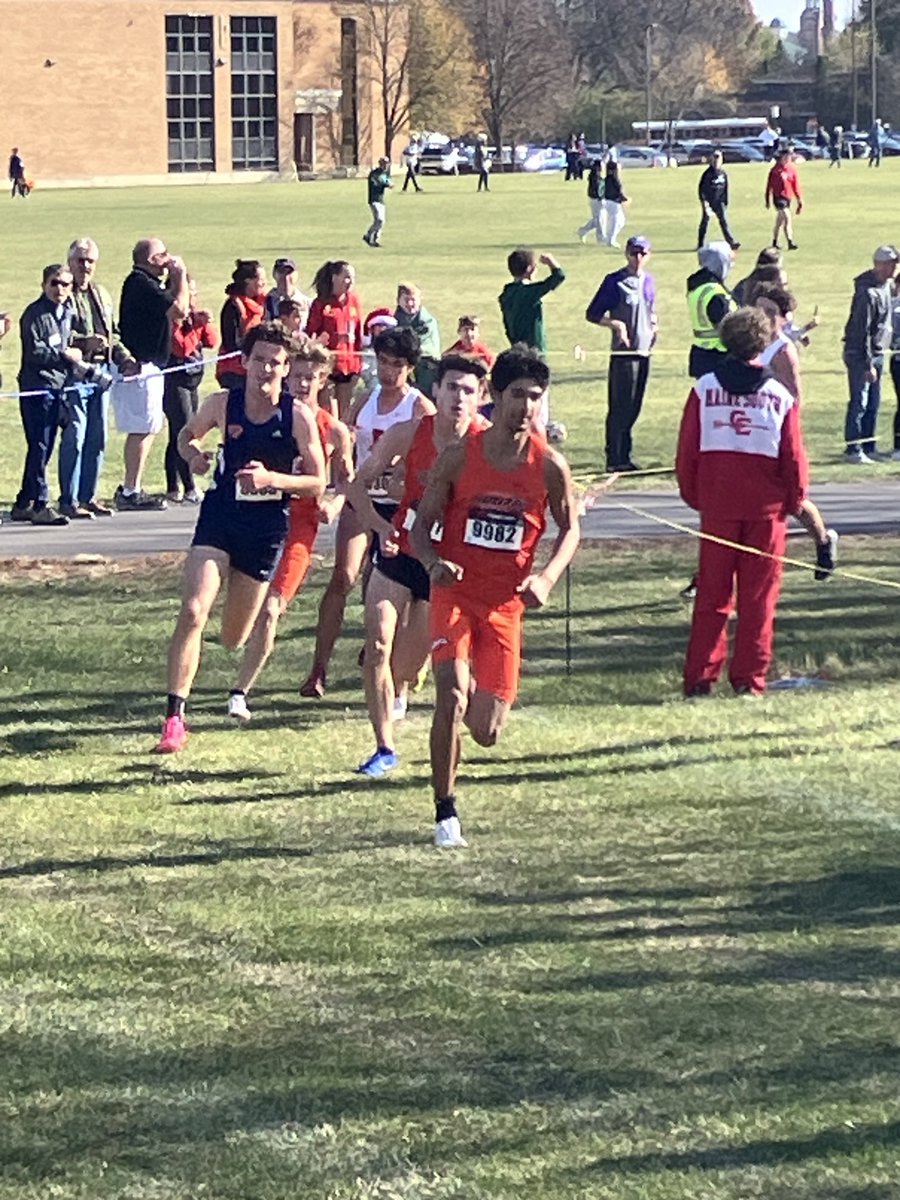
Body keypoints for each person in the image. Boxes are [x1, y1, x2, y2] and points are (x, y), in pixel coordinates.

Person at [410, 346, 580, 848]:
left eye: (535, 397)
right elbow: (422, 529)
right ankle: (446, 812)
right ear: (496, 398)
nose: (526, 407)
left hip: (506, 605)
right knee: (451, 693)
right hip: (455, 593)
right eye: (516, 396)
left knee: (485, 730)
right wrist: (433, 563)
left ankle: (463, 748)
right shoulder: (462, 456)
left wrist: (546, 578)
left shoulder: (549, 466)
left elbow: (571, 531)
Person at [154, 322, 326, 753]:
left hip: (265, 530)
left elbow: (318, 481)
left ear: (286, 370)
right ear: (245, 363)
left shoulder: (298, 417)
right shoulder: (222, 404)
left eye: (276, 362)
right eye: (260, 360)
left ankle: (227, 659)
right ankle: (174, 718)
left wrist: (272, 479)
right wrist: (193, 455)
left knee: (233, 637)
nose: (267, 368)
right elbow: (184, 435)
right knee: (193, 611)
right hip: (220, 518)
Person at [348, 354, 490, 777]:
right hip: (400, 550)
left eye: (468, 391)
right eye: (451, 388)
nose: (458, 398)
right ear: (436, 391)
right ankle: (383, 747)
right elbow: (357, 483)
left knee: (406, 667)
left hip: (446, 566)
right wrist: (378, 525)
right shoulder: (408, 434)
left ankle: (418, 691)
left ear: (481, 397)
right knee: (376, 645)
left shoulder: (487, 443)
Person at [677, 307, 810, 697]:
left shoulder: (703, 389)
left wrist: (697, 497)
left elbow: (687, 453)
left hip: (717, 508)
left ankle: (700, 678)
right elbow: (795, 459)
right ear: (765, 343)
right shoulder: (780, 396)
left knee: (712, 597)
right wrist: (794, 501)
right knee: (758, 600)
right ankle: (749, 681)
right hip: (766, 514)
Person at [300, 327, 433, 699]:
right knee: (343, 575)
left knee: (395, 586)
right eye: (383, 362)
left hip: (400, 507)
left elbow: (431, 458)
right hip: (362, 502)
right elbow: (344, 453)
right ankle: (318, 669)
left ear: (410, 368)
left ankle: (397, 664)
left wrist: (402, 475)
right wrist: (337, 491)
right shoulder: (363, 401)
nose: (388, 372)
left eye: (397, 365)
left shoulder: (420, 407)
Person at [228, 337, 353, 720]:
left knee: (271, 608)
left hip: (301, 524)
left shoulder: (333, 430)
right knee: (239, 606)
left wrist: (334, 503)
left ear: (323, 380)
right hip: (257, 516)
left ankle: (239, 692)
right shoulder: (274, 413)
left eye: (311, 377)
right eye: (297, 375)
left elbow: (347, 479)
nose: (302, 383)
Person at [753, 282, 838, 580]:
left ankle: (824, 542)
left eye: (770, 311)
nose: (763, 316)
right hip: (755, 432)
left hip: (777, 434)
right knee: (747, 500)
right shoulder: (754, 343)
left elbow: (794, 398)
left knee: (794, 501)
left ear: (785, 317)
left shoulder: (783, 351)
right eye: (759, 309)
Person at [61, 237, 138, 519]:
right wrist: (84, 343)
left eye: (90, 261)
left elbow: (112, 335)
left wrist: (125, 357)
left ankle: (88, 496)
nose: (85, 266)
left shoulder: (101, 293)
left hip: (102, 374)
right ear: (69, 262)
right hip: (75, 374)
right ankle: (68, 500)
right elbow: (58, 337)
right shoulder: (63, 292)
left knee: (98, 438)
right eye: (80, 260)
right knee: (75, 437)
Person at [117, 237, 189, 510]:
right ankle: (129, 490)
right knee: (142, 428)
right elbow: (179, 310)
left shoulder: (148, 285)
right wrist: (180, 275)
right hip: (141, 366)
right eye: (163, 255)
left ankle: (132, 486)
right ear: (150, 260)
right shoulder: (140, 283)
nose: (168, 259)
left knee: (148, 427)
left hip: (152, 365)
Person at [11, 264, 82, 526]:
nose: (60, 289)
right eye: (54, 283)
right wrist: (65, 356)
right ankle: (40, 503)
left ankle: (23, 501)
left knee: (44, 446)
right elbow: (35, 352)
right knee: (40, 445)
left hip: (58, 387)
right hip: (37, 387)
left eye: (65, 284)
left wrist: (84, 343)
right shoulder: (35, 314)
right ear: (44, 285)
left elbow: (67, 339)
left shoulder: (67, 312)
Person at [586, 234, 658, 473]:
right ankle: (614, 457)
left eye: (642, 253)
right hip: (623, 353)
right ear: (626, 254)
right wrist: (616, 325)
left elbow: (650, 306)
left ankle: (626, 455)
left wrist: (654, 325)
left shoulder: (648, 281)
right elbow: (593, 313)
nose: (637, 258)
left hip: (644, 351)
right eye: (633, 253)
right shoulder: (615, 281)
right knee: (620, 406)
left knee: (635, 405)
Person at [499, 247, 566, 438]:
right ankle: (539, 431)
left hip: (516, 349)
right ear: (530, 269)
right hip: (535, 351)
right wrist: (552, 263)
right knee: (539, 393)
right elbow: (559, 277)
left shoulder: (507, 294)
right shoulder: (528, 293)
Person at [163, 277, 218, 504]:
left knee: (180, 430)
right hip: (174, 379)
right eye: (188, 295)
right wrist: (193, 324)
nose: (191, 299)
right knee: (185, 430)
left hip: (192, 380)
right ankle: (188, 486)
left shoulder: (192, 318)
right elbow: (181, 347)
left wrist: (205, 323)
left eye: (194, 294)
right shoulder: (170, 319)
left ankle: (172, 485)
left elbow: (212, 342)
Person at [842, 244, 899, 463]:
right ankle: (853, 449)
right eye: (891, 264)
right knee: (860, 401)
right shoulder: (867, 292)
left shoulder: (886, 286)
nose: (895, 268)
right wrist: (867, 364)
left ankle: (869, 445)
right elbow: (861, 331)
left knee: (873, 402)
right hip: (861, 354)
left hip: (878, 351)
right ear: (879, 264)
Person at [306, 259, 364, 420]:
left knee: (345, 411)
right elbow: (310, 333)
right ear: (334, 278)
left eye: (352, 277)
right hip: (328, 365)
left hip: (349, 365)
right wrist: (322, 340)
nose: (350, 282)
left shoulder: (354, 301)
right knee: (328, 409)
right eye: (346, 277)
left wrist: (358, 362)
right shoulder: (321, 303)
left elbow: (359, 332)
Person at [686, 242, 736, 380]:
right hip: (718, 358)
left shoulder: (698, 287)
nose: (731, 265)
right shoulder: (715, 293)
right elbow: (728, 328)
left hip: (703, 355)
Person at [216, 260, 267, 390]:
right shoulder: (233, 306)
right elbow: (231, 343)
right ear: (248, 281)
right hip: (234, 372)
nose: (264, 283)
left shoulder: (262, 304)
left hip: (253, 368)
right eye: (260, 279)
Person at [395, 282, 441, 397]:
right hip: (402, 365)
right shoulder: (394, 320)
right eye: (406, 300)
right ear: (398, 300)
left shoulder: (427, 322)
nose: (410, 304)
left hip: (426, 366)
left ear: (420, 300)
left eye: (413, 300)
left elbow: (416, 345)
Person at [697, 150, 740, 251]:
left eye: (718, 158)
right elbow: (701, 189)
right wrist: (705, 203)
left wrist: (725, 201)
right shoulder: (707, 174)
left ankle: (731, 242)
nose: (716, 160)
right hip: (709, 201)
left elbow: (725, 188)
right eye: (715, 158)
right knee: (705, 222)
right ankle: (700, 243)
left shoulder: (723, 173)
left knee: (724, 222)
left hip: (719, 202)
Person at [765, 148, 803, 251]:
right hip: (778, 198)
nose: (788, 158)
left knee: (779, 222)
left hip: (788, 197)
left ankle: (774, 241)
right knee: (787, 217)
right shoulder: (775, 170)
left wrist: (799, 200)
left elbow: (795, 185)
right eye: (786, 156)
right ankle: (790, 241)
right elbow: (769, 186)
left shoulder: (792, 169)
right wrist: (767, 200)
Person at [264, 257, 310, 324]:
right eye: (281, 272)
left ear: (296, 275)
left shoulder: (306, 303)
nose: (285, 277)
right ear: (274, 274)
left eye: (289, 272)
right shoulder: (266, 302)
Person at [363, 156, 392, 247]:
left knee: (380, 221)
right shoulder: (374, 174)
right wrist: (387, 184)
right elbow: (378, 183)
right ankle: (368, 235)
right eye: (385, 164)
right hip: (374, 200)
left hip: (381, 200)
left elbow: (388, 181)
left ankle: (374, 240)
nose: (386, 166)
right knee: (380, 220)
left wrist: (389, 183)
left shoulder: (385, 173)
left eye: (387, 164)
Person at [576, 159, 606, 245]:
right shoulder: (596, 177)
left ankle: (583, 231)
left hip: (595, 199)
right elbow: (598, 190)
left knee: (598, 219)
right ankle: (601, 238)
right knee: (600, 219)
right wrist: (601, 197)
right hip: (597, 200)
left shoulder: (596, 176)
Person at [601, 160, 628, 247]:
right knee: (616, 221)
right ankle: (611, 240)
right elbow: (619, 192)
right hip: (614, 202)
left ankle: (610, 238)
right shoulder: (615, 179)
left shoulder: (607, 179)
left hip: (608, 201)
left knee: (619, 221)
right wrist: (625, 199)